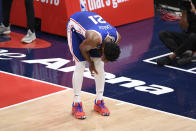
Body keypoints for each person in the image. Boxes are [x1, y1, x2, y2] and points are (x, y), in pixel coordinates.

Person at [67, 11, 121, 119]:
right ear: (103, 49)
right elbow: (83, 48)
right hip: (75, 25)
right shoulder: (94, 39)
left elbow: (102, 55)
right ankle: (76, 104)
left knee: (100, 65)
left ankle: (99, 101)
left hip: (93, 31)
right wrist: (90, 63)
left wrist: (97, 62)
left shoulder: (117, 38)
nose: (105, 60)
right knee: (80, 64)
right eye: (105, 57)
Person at [156, 0, 196, 66]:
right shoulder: (190, 7)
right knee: (163, 34)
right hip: (189, 40)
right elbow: (183, 27)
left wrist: (195, 12)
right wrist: (184, 11)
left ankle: (171, 57)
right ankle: (184, 54)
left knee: (193, 36)